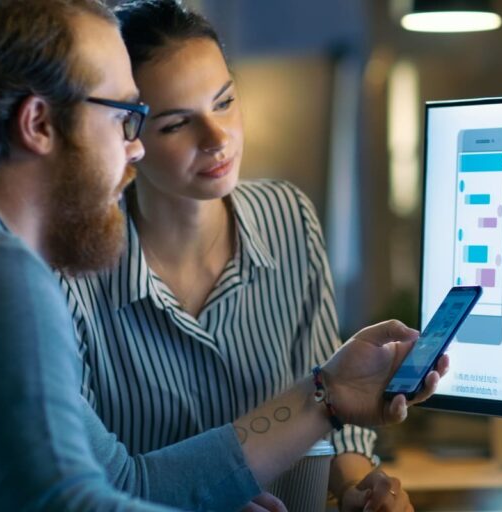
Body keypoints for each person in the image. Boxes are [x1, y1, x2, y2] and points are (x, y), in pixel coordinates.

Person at [0, 1, 446, 510]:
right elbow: (74, 506)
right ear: (39, 124)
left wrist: (330, 392)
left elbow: (119, 485)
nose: (135, 149)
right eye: (127, 117)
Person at [60, 1, 408, 509]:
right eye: (178, 124)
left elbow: (333, 408)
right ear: (128, 134)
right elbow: (82, 481)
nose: (218, 139)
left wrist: (359, 487)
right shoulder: (74, 270)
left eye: (224, 102)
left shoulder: (289, 217)